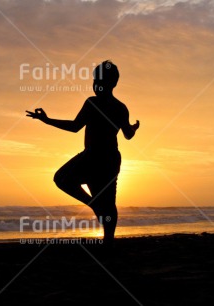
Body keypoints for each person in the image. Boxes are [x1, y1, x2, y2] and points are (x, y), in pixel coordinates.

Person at [26, 60, 139, 245]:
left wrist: (47, 121)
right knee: (107, 202)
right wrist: (134, 127)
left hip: (94, 157)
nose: (95, 83)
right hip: (109, 159)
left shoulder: (93, 102)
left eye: (97, 79)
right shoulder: (120, 107)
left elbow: (75, 127)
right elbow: (128, 135)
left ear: (108, 82)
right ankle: (107, 237)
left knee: (63, 180)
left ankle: (97, 211)